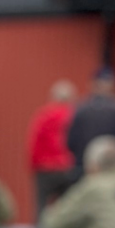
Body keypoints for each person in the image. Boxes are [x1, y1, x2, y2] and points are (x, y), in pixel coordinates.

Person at [66, 68, 115, 172]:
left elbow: (70, 143)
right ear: (111, 86)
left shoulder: (81, 110)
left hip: (86, 173)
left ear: (92, 85)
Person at [26, 79, 78, 216]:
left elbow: (34, 142)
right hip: (67, 168)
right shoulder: (74, 116)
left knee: (41, 207)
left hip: (45, 169)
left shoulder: (43, 115)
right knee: (68, 208)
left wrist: (34, 165)